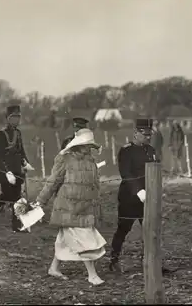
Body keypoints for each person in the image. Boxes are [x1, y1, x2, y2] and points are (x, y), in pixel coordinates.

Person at [32, 128, 106, 285]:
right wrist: (40, 201)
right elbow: (52, 182)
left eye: (90, 145)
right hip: (69, 208)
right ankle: (92, 275)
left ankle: (54, 268)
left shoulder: (91, 161)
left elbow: (94, 186)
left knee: (64, 240)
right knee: (85, 241)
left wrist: (97, 208)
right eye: (85, 144)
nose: (88, 148)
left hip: (85, 208)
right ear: (78, 144)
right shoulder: (65, 159)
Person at [110, 119, 157, 272]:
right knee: (123, 229)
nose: (148, 138)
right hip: (129, 198)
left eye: (150, 135)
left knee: (150, 230)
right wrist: (138, 191)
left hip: (148, 197)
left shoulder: (150, 150)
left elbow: (155, 171)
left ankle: (151, 262)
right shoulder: (126, 150)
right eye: (145, 135)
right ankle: (114, 260)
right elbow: (126, 174)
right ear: (136, 133)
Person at [0, 105, 34, 232]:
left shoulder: (18, 133)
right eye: (14, 117)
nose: (17, 120)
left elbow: (21, 151)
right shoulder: (2, 134)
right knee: (10, 196)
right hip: (6, 172)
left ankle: (14, 224)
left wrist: (26, 163)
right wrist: (5, 172)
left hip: (17, 171)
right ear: (8, 119)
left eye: (18, 117)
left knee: (14, 197)